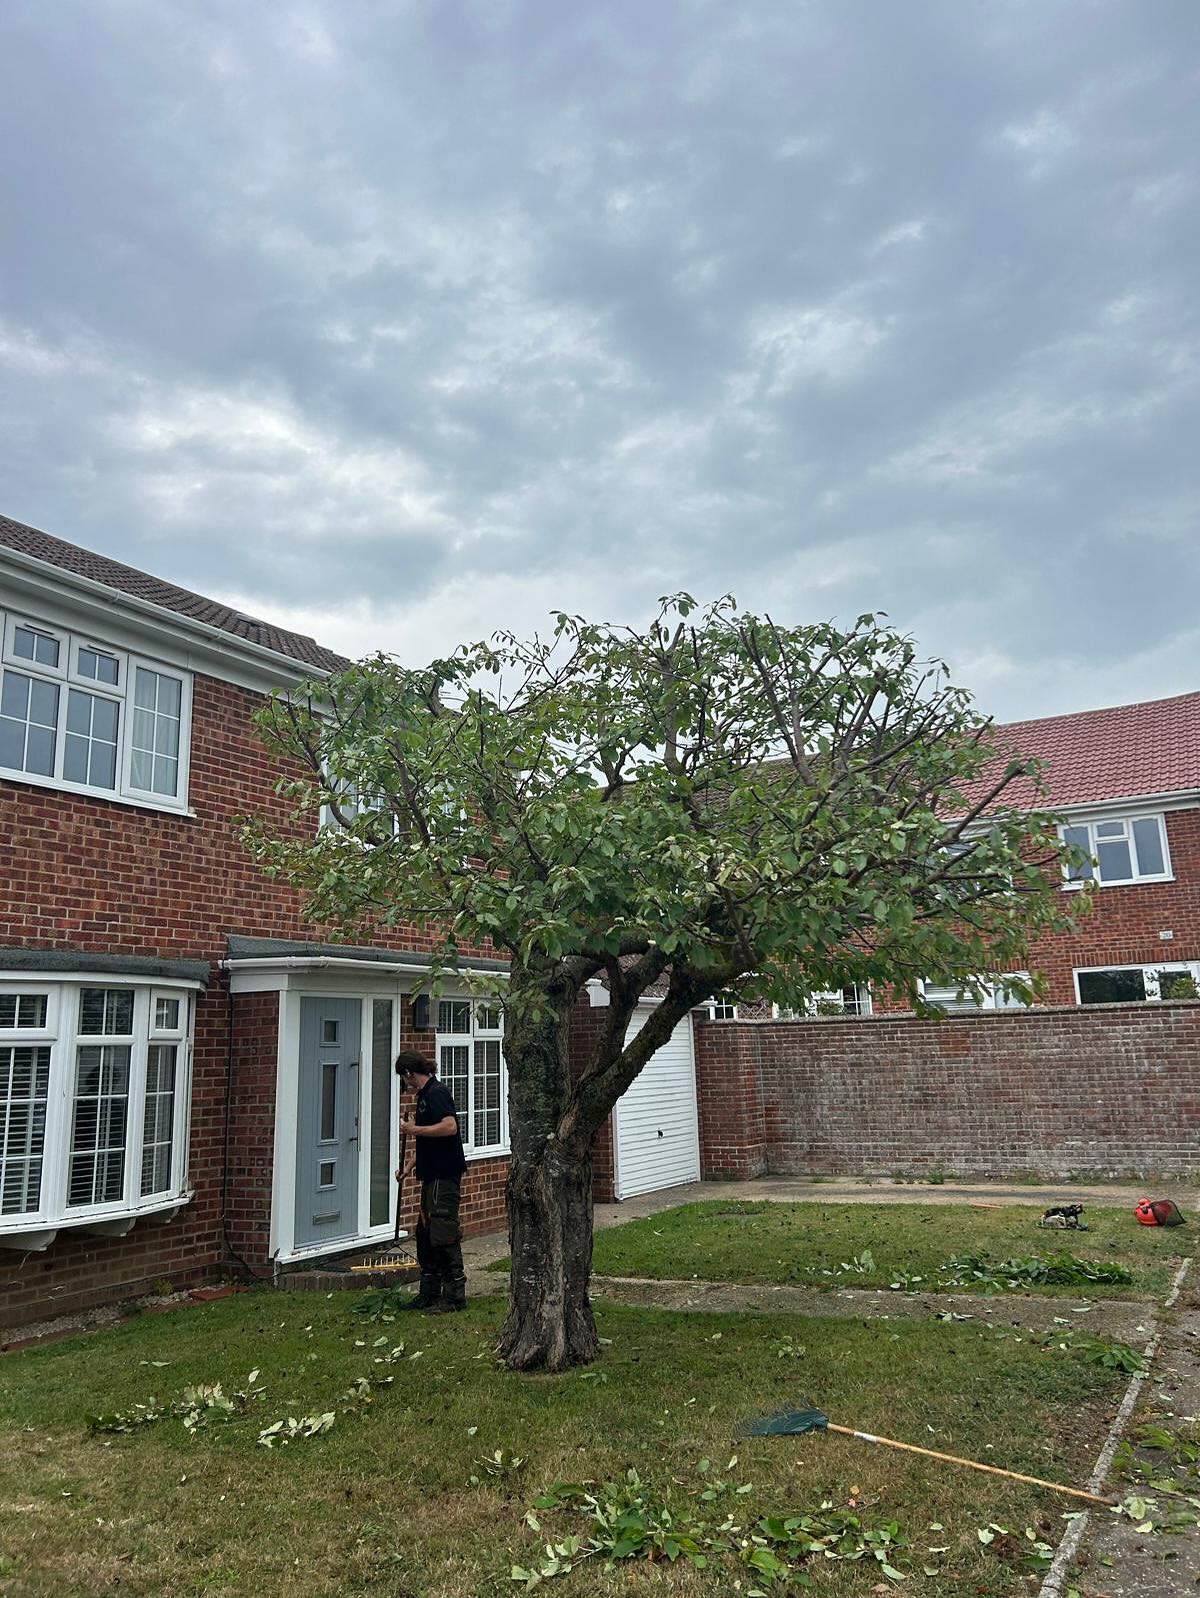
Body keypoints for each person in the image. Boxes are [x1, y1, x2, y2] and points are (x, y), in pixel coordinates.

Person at [394, 1048, 468, 1313]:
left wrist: (414, 1128)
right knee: (425, 1236)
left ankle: (454, 1297)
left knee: (443, 1234)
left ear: (409, 1072)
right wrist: (408, 1166)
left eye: (404, 1079)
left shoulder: (437, 1093)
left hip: (444, 1175)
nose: (405, 1084)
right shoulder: (423, 1096)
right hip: (429, 1174)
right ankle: (429, 1292)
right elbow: (426, 1139)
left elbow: (450, 1127)